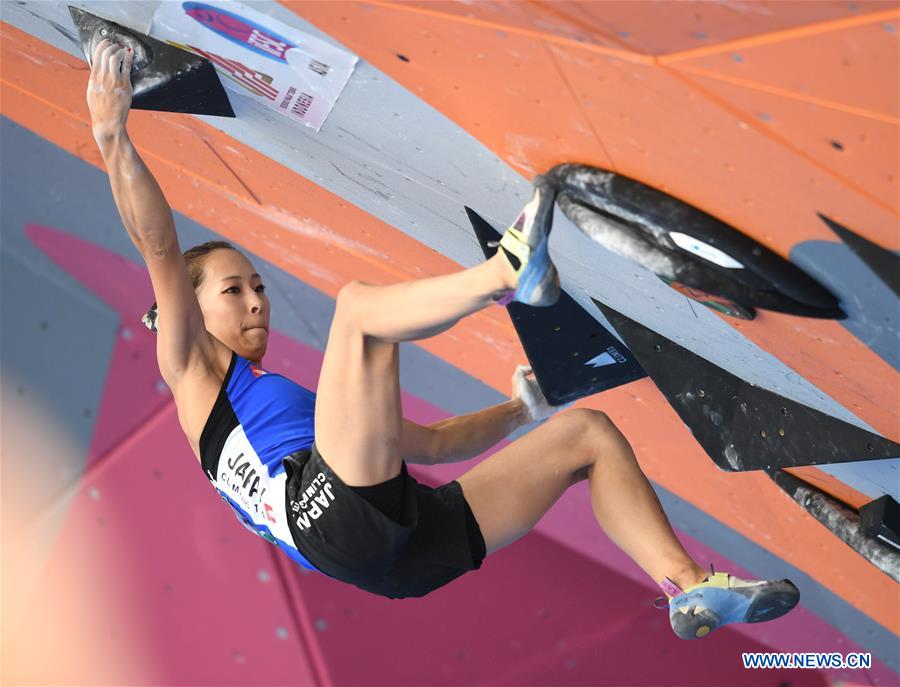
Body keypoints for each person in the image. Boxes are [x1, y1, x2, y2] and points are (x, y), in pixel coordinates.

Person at [87, 37, 799, 639]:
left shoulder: (308, 416)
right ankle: (505, 271)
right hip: (330, 518)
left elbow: (430, 445)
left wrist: (524, 411)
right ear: (188, 307)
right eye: (233, 289)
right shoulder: (193, 373)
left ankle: (687, 584)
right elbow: (157, 243)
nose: (256, 302)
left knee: (588, 434)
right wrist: (112, 134)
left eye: (259, 287)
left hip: (392, 558)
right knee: (359, 311)